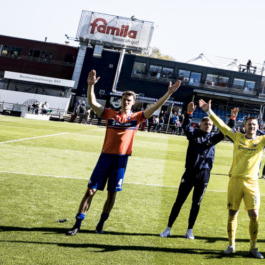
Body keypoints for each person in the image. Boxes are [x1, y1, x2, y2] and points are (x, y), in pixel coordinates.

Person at [65, 71, 181, 235]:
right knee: (90, 191)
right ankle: (77, 224)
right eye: (124, 99)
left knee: (112, 194)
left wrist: (169, 93)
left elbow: (155, 107)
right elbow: (92, 103)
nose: (126, 102)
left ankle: (100, 224)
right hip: (105, 157)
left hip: (121, 161)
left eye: (129, 100)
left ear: (133, 102)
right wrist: (91, 85)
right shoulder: (110, 114)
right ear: (120, 100)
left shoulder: (137, 117)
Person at [203, 101, 265, 257]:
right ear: (245, 126)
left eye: (254, 125)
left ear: (257, 126)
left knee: (254, 214)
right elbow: (221, 126)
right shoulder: (237, 137)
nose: (252, 127)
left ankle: (253, 248)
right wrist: (209, 111)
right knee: (232, 213)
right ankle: (231, 245)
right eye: (249, 124)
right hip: (235, 180)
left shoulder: (261, 140)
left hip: (252, 183)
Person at [160, 102, 226, 239]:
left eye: (209, 124)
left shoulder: (214, 138)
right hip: (190, 172)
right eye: (205, 123)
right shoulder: (193, 135)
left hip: (204, 174)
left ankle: (189, 230)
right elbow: (185, 126)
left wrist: (231, 120)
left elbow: (226, 130)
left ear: (212, 126)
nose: (207, 125)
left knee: (196, 203)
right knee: (179, 201)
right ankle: (168, 228)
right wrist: (189, 114)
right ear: (200, 125)